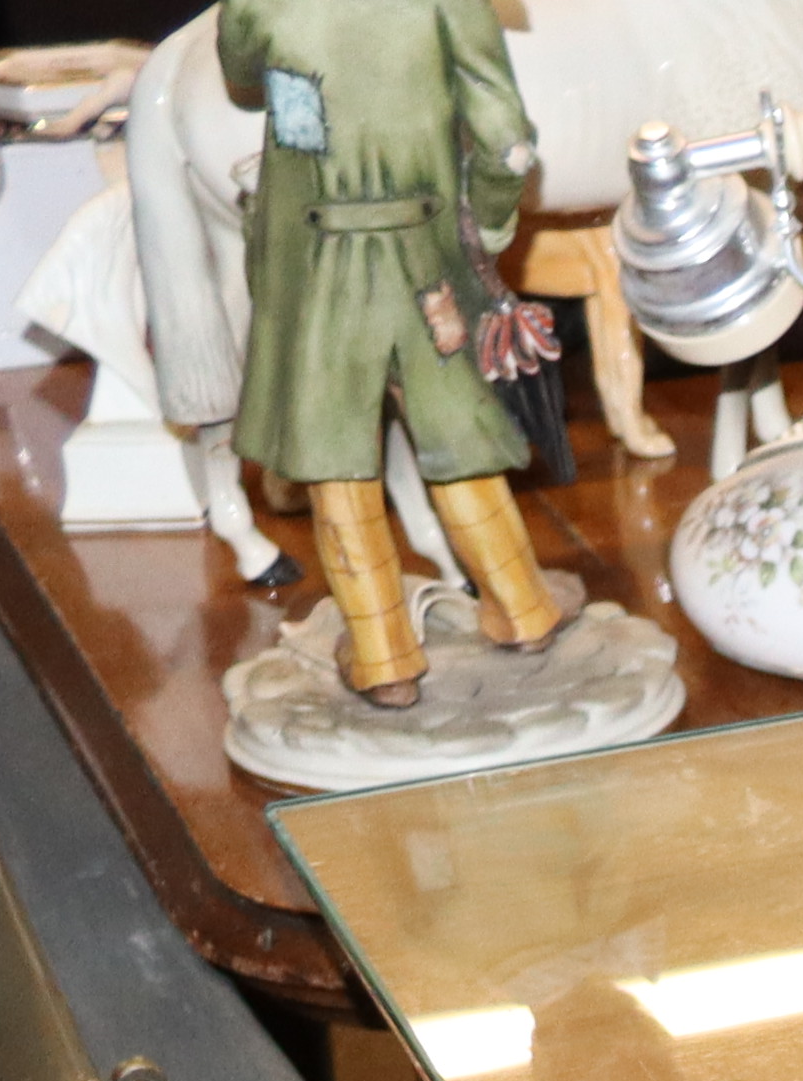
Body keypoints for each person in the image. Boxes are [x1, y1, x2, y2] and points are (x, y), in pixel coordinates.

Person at [219, 0, 570, 702]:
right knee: (456, 438)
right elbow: (506, 143)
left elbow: (240, 71)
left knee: (336, 455)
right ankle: (523, 607)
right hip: (425, 260)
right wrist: (490, 230)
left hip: (317, 270)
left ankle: (383, 655)